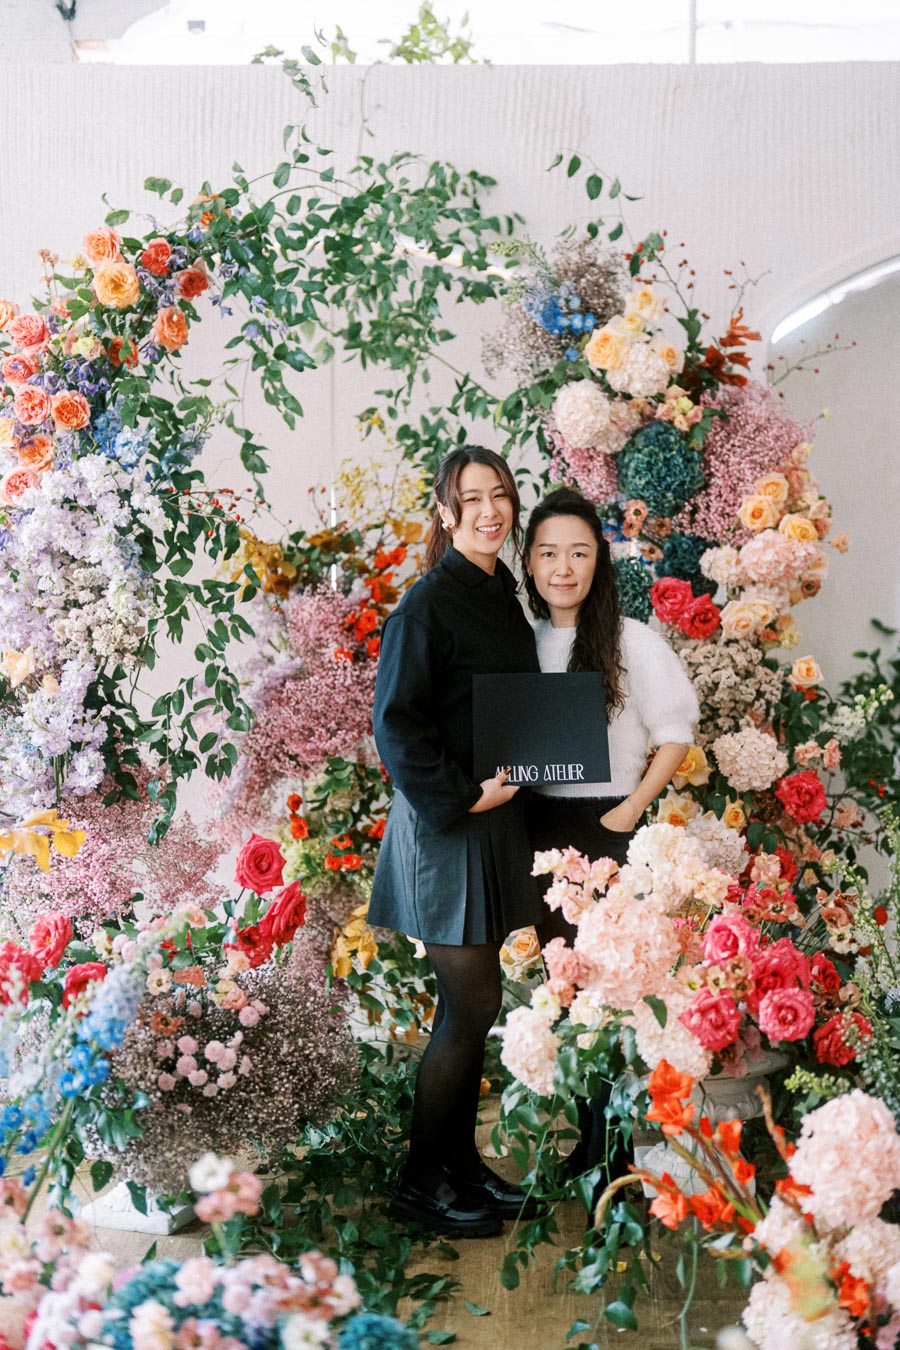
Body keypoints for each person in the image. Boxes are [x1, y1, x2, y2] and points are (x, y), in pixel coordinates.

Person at [369, 446, 544, 1237]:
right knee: (469, 1002)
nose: (489, 510)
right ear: (445, 513)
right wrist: (466, 795)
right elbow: (394, 726)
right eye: (470, 498)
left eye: (500, 495)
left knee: (473, 1005)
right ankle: (418, 1184)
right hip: (445, 827)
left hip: (489, 819)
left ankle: (460, 1167)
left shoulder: (502, 592)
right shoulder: (426, 605)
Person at [523, 485, 700, 1186]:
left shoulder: (632, 639)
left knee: (619, 993)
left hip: (612, 827)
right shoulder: (522, 640)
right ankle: (589, 1142)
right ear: (529, 561)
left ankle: (621, 1150)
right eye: (547, 552)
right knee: (564, 991)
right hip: (542, 830)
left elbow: (675, 736)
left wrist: (630, 812)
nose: (562, 567)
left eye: (578, 551)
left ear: (599, 559)